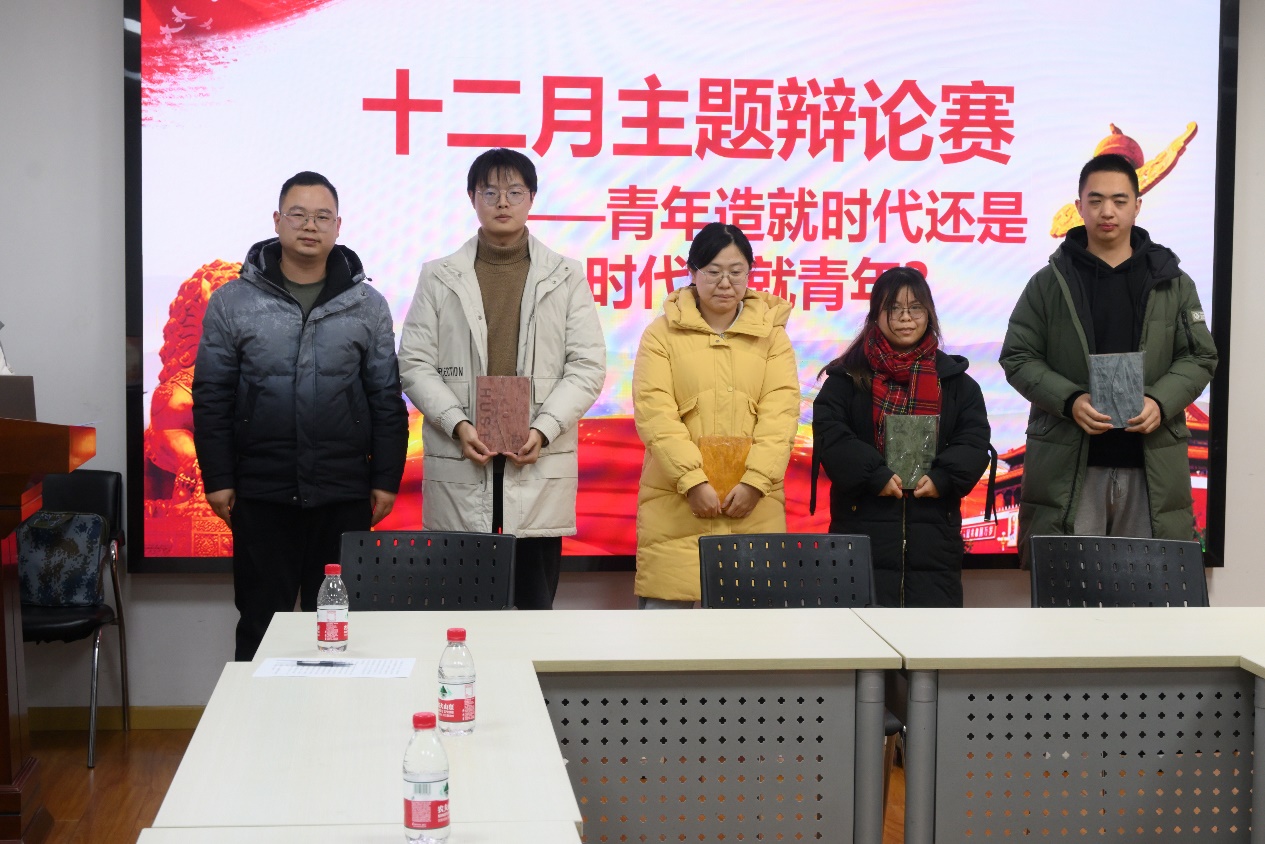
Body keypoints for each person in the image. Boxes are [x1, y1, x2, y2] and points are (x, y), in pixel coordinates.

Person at [193, 171, 409, 661]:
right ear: (277, 220)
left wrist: (385, 479)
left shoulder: (367, 305)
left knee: (337, 627)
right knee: (259, 624)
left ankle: (334, 711)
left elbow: (384, 396)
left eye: (322, 217)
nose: (310, 226)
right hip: (262, 490)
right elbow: (212, 395)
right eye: (299, 215)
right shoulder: (232, 302)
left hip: (342, 490)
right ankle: (255, 713)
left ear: (338, 226)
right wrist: (219, 478)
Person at [397, 148, 606, 610]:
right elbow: (414, 363)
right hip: (463, 453)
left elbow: (587, 365)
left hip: (536, 457)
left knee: (533, 611)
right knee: (462, 612)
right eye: (490, 192)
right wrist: (457, 423)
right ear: (472, 198)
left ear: (532, 197)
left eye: (514, 191)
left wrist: (543, 429)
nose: (503, 202)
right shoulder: (439, 276)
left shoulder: (566, 275)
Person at [1000, 153, 1217, 566]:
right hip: (1070, 468)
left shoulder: (1172, 281)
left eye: (1119, 200)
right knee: (1069, 590)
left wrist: (1161, 402)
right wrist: (1069, 400)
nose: (1107, 212)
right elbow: (1018, 355)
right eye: (1096, 200)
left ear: (1137, 206)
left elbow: (1200, 356)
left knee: (1147, 590)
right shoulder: (1049, 283)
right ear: (1078, 207)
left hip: (1150, 466)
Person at [632, 223, 800, 608]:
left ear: (750, 273)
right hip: (676, 505)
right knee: (665, 632)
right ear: (692, 272)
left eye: (736, 272)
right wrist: (692, 482)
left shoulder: (773, 337)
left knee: (749, 635)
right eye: (713, 271)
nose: (725, 283)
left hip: (754, 504)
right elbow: (655, 414)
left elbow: (780, 416)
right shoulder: (660, 335)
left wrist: (756, 482)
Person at [811, 267, 991, 607]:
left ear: (929, 313)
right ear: (875, 314)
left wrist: (943, 477)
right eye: (893, 308)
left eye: (915, 308)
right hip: (860, 529)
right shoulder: (845, 380)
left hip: (934, 537)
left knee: (930, 637)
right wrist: (873, 475)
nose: (905, 318)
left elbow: (974, 440)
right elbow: (831, 437)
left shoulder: (957, 383)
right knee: (860, 637)